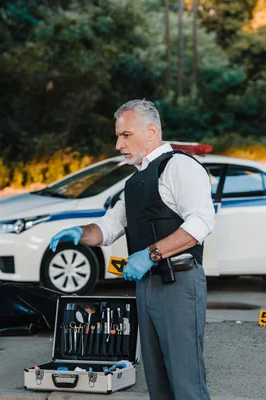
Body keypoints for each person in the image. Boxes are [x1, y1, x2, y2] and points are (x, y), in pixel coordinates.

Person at [49, 99, 215, 400]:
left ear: (151, 131)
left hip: (179, 282)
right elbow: (109, 227)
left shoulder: (180, 167)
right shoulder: (135, 181)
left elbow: (201, 224)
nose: (118, 144)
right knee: (157, 381)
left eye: (125, 135)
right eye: (117, 136)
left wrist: (151, 254)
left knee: (186, 382)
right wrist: (79, 233)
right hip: (146, 286)